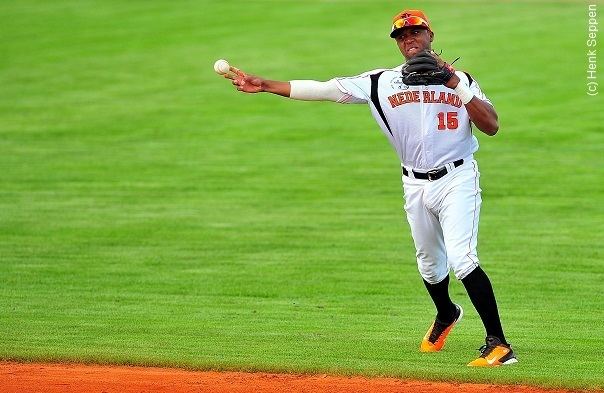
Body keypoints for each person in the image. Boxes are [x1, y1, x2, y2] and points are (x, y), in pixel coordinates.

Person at [225, 9, 517, 367]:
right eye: (402, 36)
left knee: (462, 258)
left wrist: (453, 81)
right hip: (413, 182)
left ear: (431, 35)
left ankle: (499, 345)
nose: (409, 39)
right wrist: (267, 85)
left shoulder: (462, 80)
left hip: (458, 178)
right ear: (397, 44)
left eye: (416, 32)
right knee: (429, 264)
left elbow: (491, 126)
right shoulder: (380, 82)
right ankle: (446, 314)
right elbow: (326, 89)